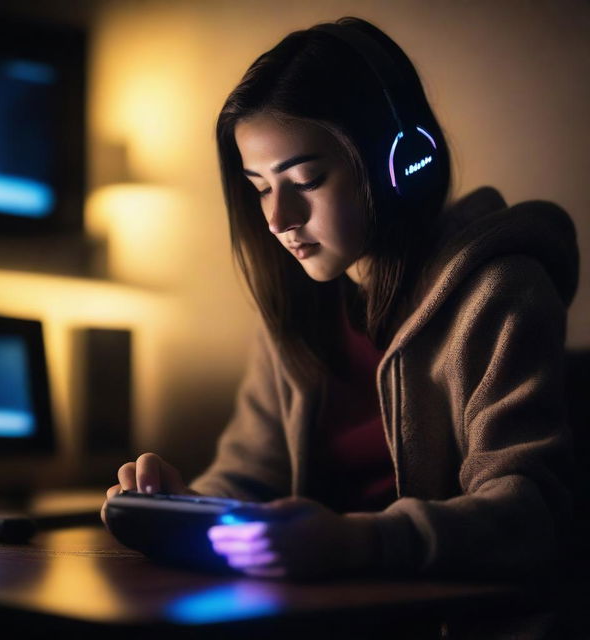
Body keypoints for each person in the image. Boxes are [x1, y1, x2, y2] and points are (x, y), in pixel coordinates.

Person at [101, 15, 579, 598]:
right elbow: (253, 477)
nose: (278, 220)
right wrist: (182, 504)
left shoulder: (500, 292)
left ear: (401, 162)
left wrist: (357, 543)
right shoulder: (299, 308)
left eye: (305, 179)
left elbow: (532, 518)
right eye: (259, 188)